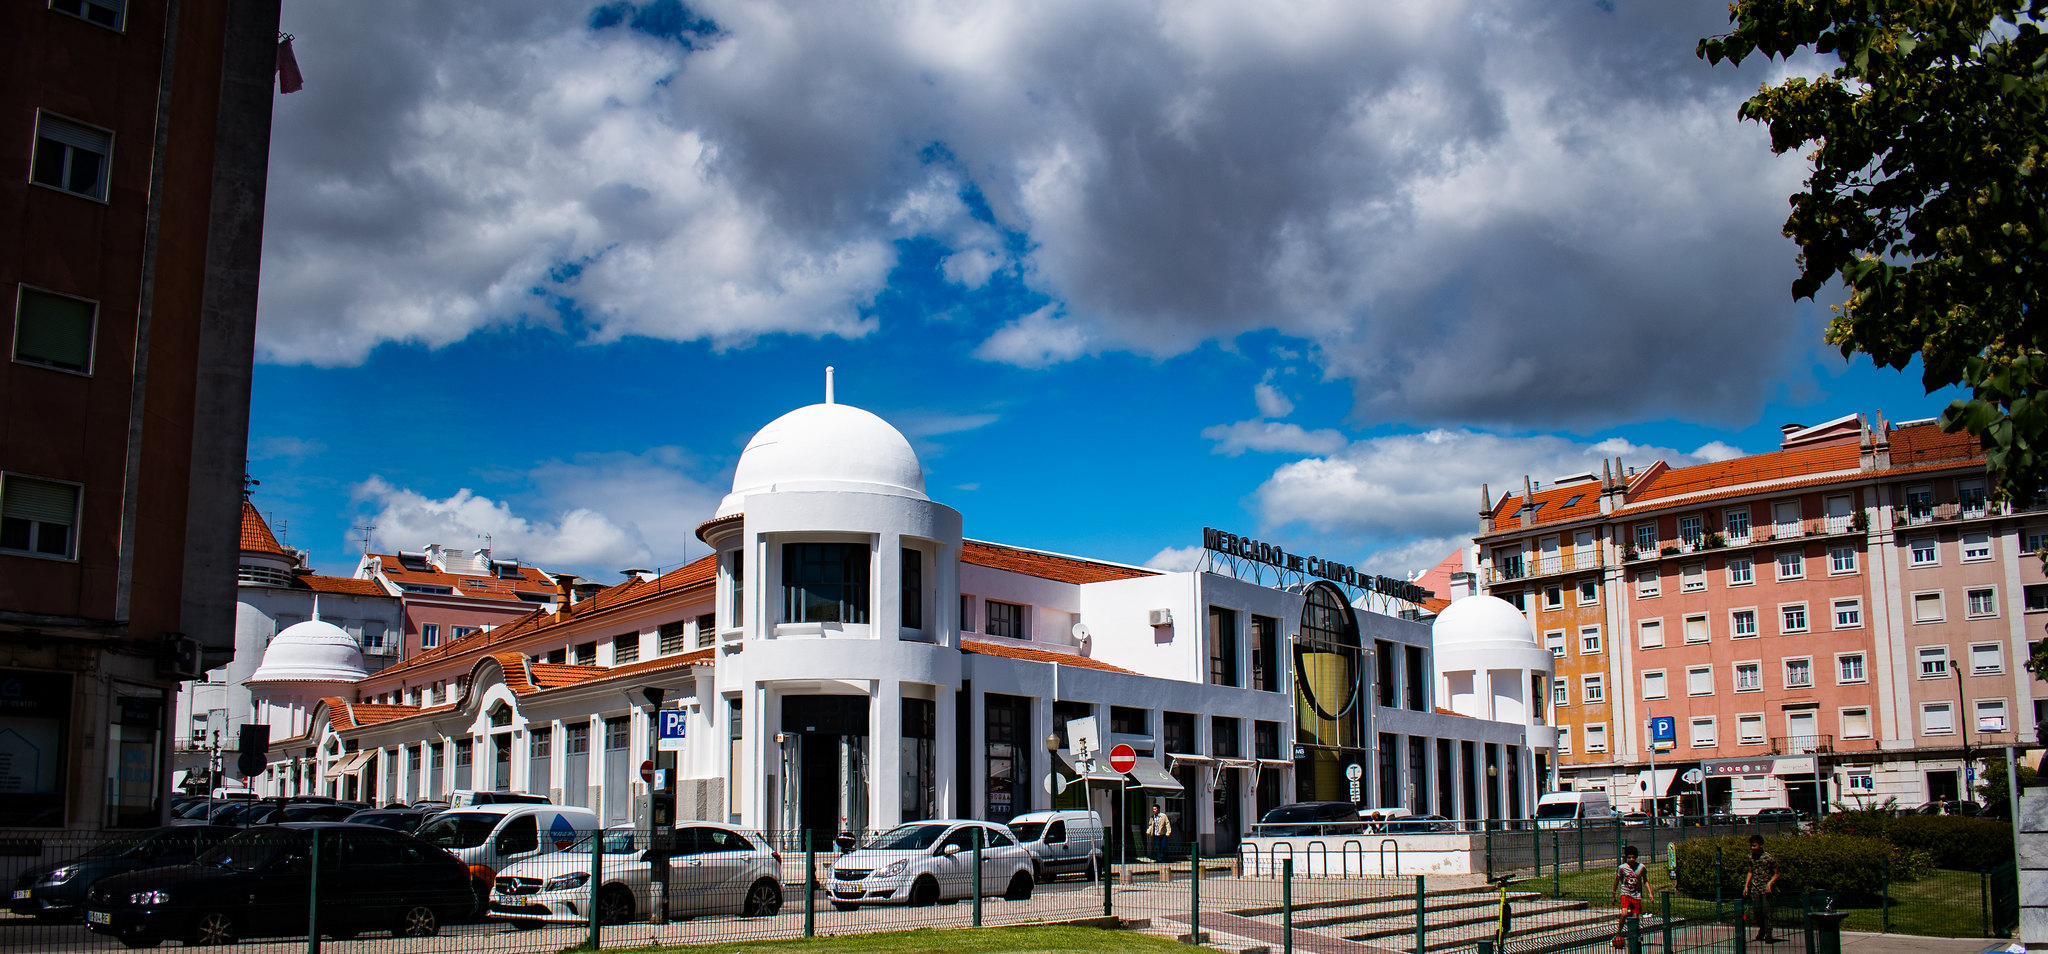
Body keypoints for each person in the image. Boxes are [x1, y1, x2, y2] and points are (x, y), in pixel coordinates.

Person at [1611, 845, 1650, 947]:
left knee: (1635, 917)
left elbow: (1645, 880)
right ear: (1626, 858)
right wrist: (1613, 895)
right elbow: (1616, 881)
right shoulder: (1622, 868)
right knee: (1624, 914)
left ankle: (1635, 935)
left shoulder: (1641, 867)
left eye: (1633, 857)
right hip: (1625, 893)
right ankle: (1618, 933)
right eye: (1629, 858)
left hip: (1636, 895)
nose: (1631, 859)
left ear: (1636, 857)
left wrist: (1650, 893)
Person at [1743, 834, 1780, 943]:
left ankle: (1768, 933)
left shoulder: (1769, 858)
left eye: (1754, 846)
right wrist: (1746, 886)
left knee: (1767, 912)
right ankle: (1762, 929)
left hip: (1766, 888)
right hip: (1755, 887)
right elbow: (1750, 871)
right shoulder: (1751, 857)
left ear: (1761, 845)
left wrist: (1770, 884)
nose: (1752, 848)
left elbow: (1777, 874)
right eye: (1751, 846)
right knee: (1757, 911)